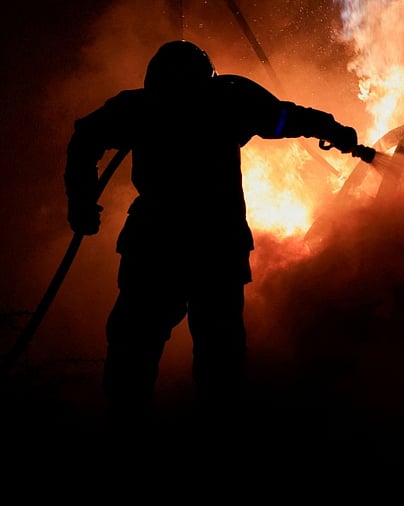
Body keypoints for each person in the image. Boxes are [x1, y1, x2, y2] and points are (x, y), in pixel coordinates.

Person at [64, 40, 362, 424]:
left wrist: (81, 201)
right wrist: (332, 129)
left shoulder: (142, 106)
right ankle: (202, 423)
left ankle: (135, 421)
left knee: (142, 346)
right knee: (204, 352)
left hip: (160, 244)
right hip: (211, 245)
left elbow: (86, 137)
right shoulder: (227, 99)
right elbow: (286, 118)